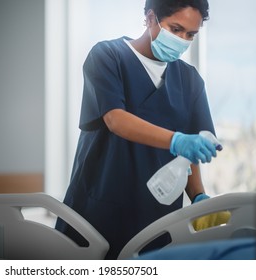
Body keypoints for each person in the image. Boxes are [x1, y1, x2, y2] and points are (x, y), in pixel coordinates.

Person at [56, 0, 221, 259]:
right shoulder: (108, 56)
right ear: (150, 18)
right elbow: (116, 120)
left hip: (158, 216)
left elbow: (191, 152)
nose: (182, 40)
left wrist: (198, 195)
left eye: (191, 34)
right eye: (176, 29)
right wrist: (176, 140)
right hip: (98, 208)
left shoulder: (190, 80)